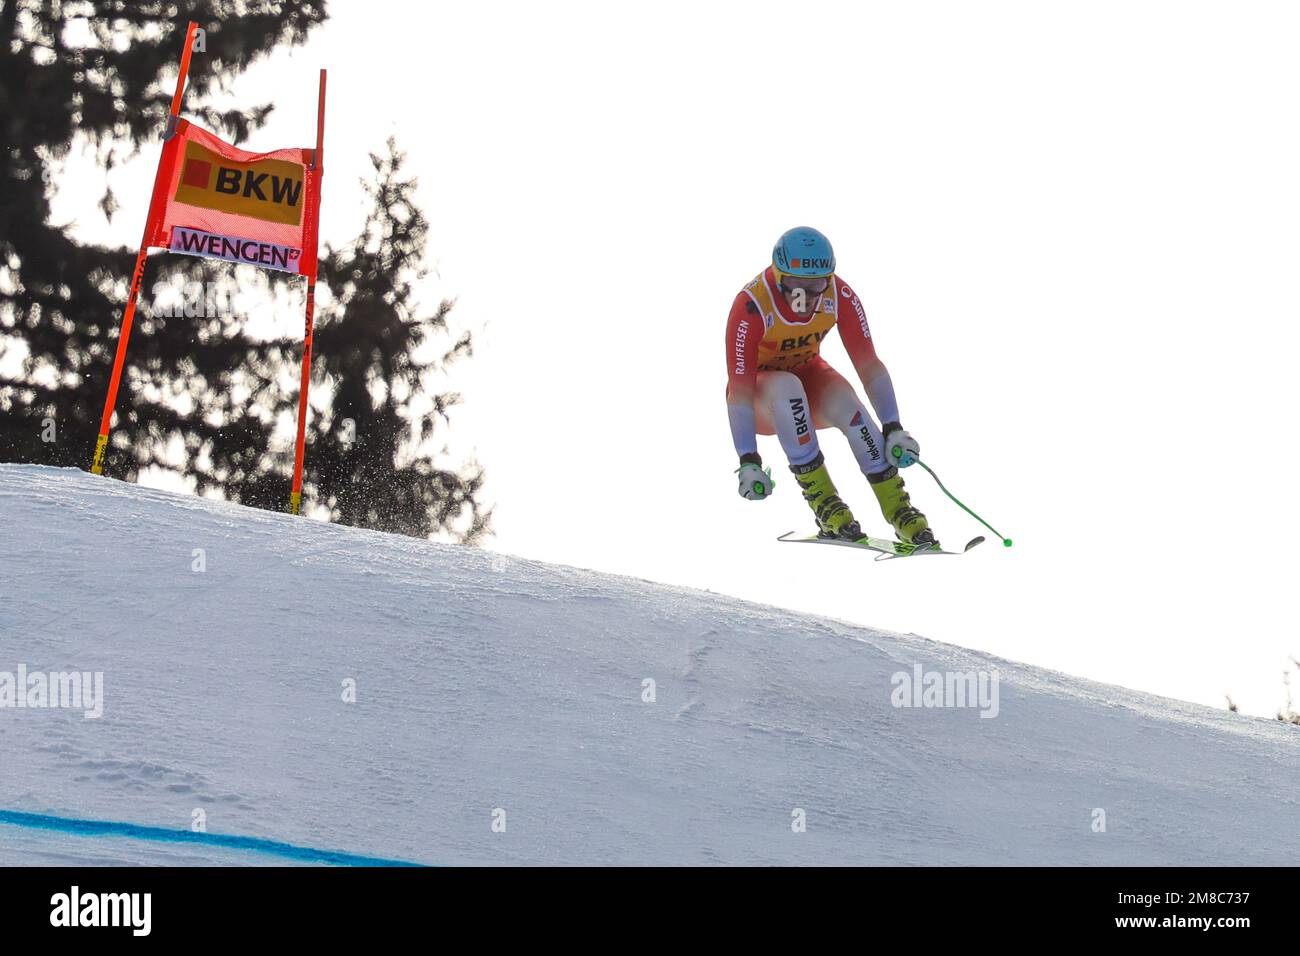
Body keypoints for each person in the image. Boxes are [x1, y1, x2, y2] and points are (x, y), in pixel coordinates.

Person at [725, 226, 934, 545]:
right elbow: (738, 391)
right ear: (778, 275)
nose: (805, 297)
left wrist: (893, 427)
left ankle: (899, 509)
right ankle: (826, 504)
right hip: (762, 399)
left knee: (849, 405)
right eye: (795, 285)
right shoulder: (752, 305)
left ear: (830, 277)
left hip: (808, 378)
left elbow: (869, 365)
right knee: (787, 388)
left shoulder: (839, 295)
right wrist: (748, 460)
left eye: (816, 285)